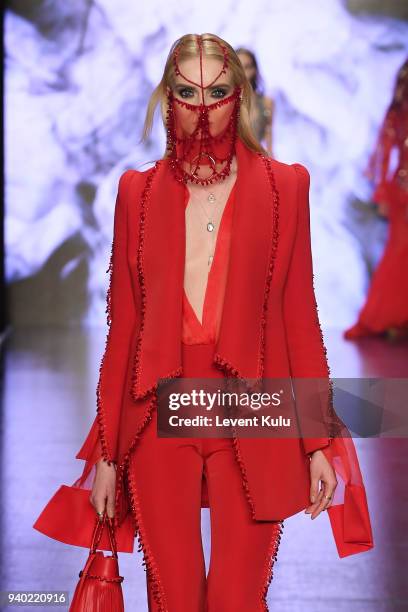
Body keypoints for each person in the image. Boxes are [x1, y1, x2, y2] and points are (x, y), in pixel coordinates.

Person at [34, 33, 373, 611]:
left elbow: (300, 318)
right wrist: (109, 457)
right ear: (167, 97)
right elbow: (125, 332)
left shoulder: (285, 187)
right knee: (175, 598)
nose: (201, 109)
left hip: (256, 411)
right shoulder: (136, 193)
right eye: (187, 93)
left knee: (237, 599)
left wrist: (319, 442)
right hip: (157, 419)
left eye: (216, 92)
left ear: (238, 97)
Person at [344, 58, 408, 341]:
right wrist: (383, 190)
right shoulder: (397, 114)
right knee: (399, 251)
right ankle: (391, 316)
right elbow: (383, 156)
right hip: (403, 190)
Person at [236, 47, 274, 156]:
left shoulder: (267, 102)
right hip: (231, 164)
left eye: (247, 67)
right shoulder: (224, 102)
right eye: (239, 67)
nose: (243, 72)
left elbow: (268, 136)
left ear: (254, 69)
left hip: (258, 160)